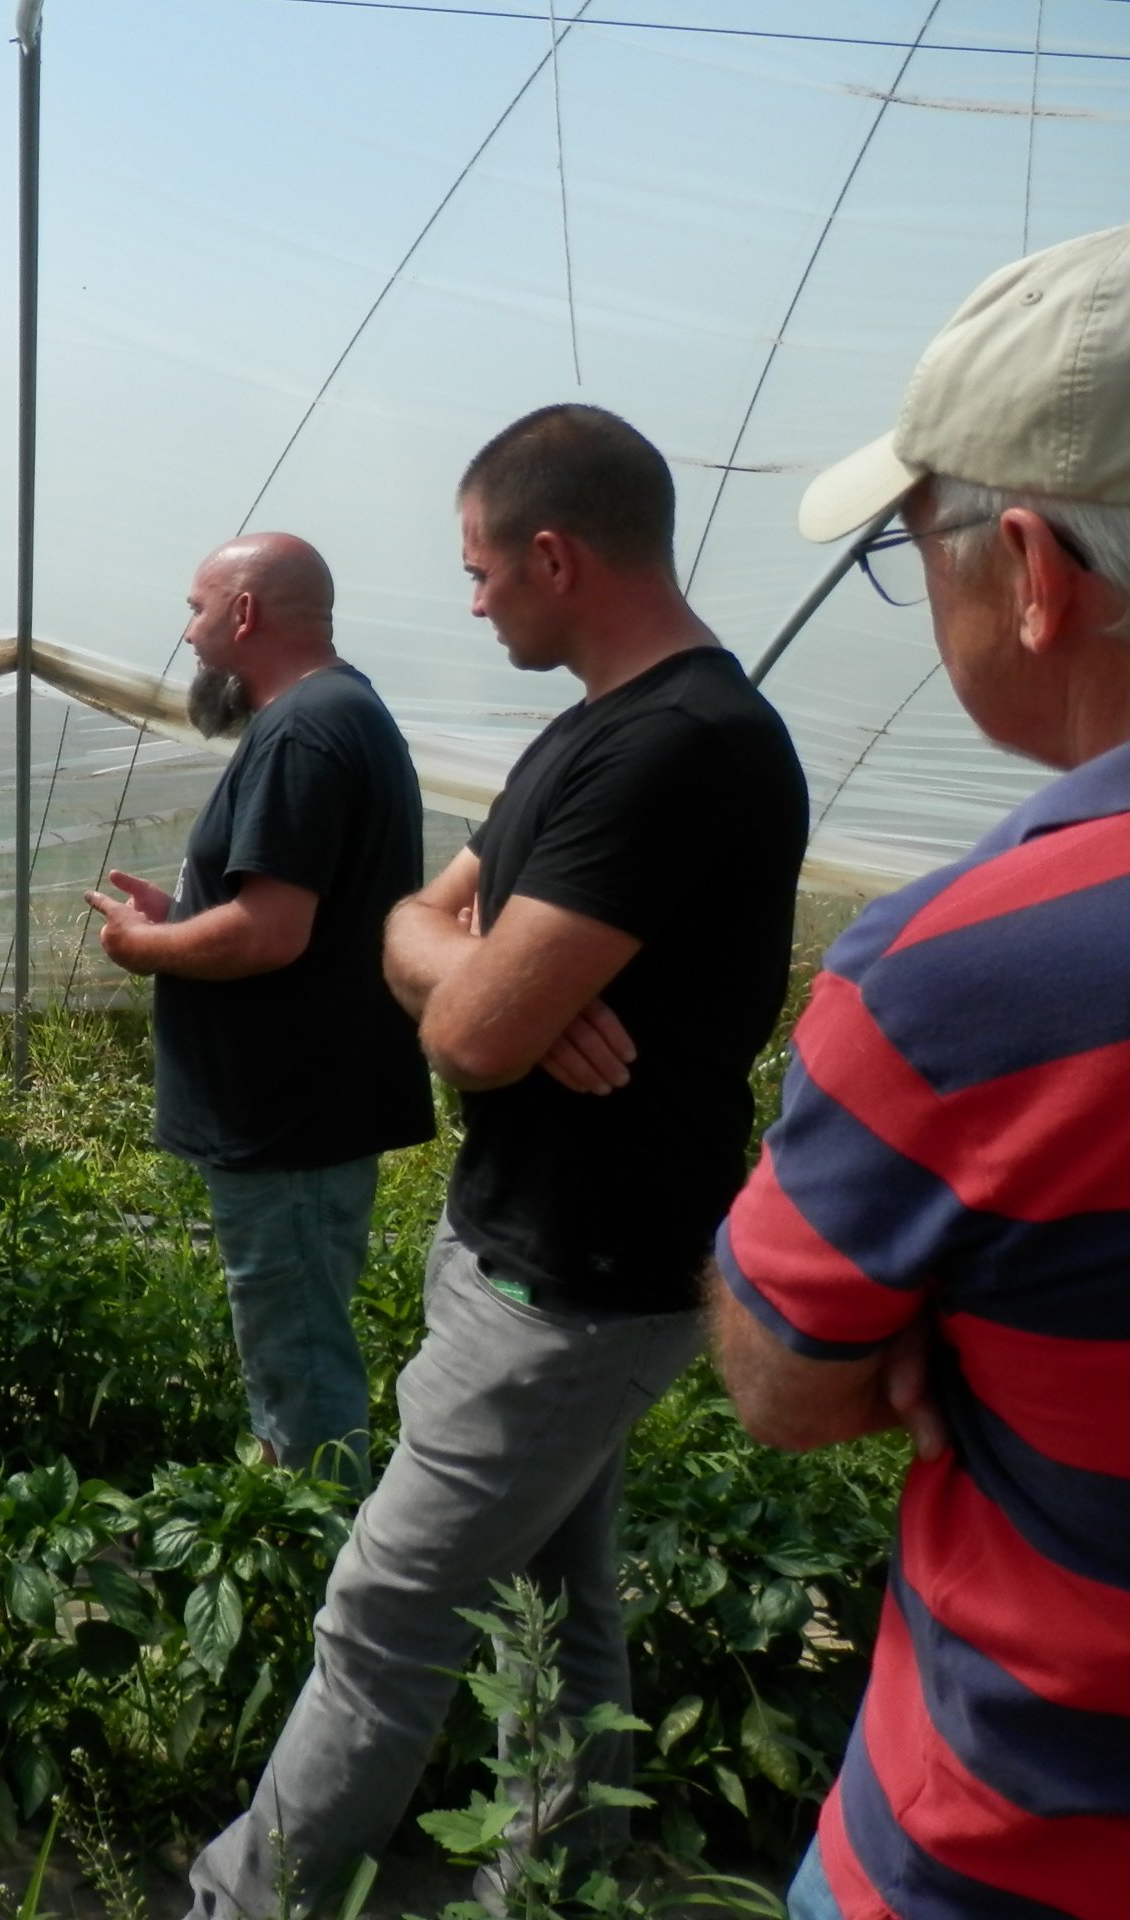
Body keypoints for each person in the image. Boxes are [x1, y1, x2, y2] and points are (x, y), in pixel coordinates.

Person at [184, 405, 808, 1916]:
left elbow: (463, 1030)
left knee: (385, 1616)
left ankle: (244, 1902)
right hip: (529, 1249)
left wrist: (478, 987)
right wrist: (463, 969)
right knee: (554, 1602)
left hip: (572, 1281)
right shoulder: (589, 733)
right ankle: (564, 1875)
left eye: (481, 572)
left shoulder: (679, 751)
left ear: (554, 554)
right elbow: (419, 920)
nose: (472, 603)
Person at [715, 224, 1130, 1920]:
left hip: (1022, 1848)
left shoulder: (980, 975)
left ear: (1033, 567)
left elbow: (786, 1377)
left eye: (918, 542)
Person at [83, 533, 431, 1485]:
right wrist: (189, 914)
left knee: (300, 1363)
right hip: (301, 1106)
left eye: (197, 610)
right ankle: (310, 1552)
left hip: (288, 1114)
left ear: (244, 614)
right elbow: (279, 912)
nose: (188, 635)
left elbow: (272, 933)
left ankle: (324, 1584)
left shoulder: (305, 731)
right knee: (292, 1341)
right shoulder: (337, 715)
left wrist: (145, 946)